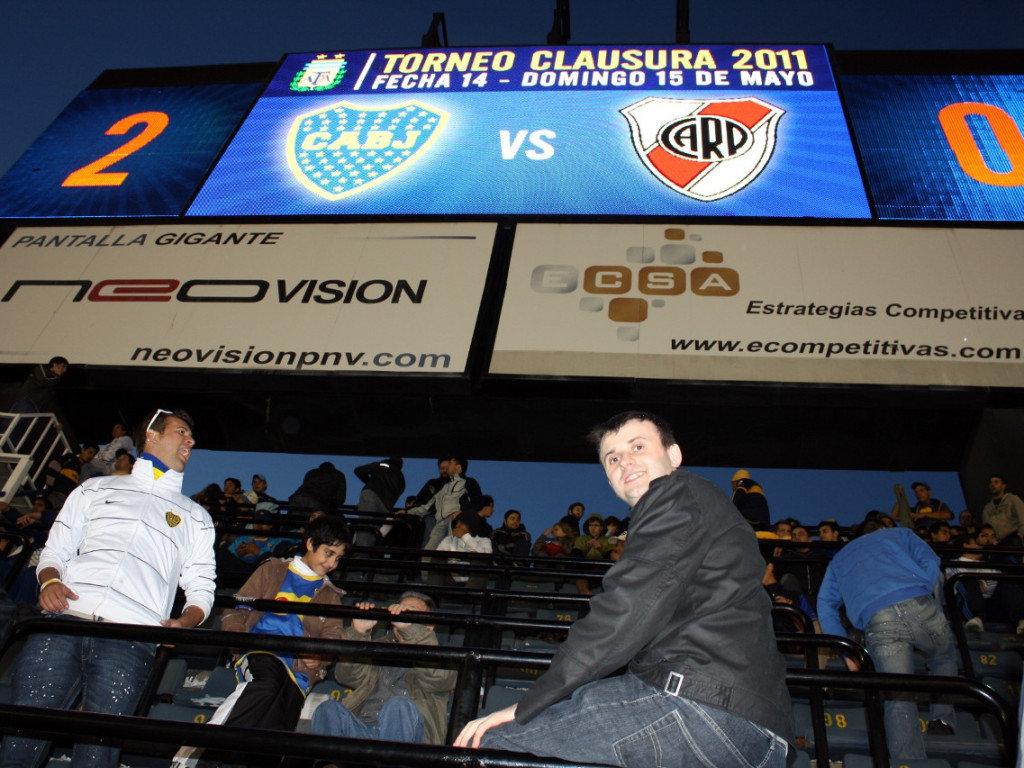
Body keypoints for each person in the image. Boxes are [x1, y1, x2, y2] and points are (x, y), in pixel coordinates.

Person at [456, 411, 793, 767]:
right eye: (612, 458)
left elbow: (625, 609)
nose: (625, 461)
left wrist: (529, 704)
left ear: (674, 455)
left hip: (701, 704)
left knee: (491, 746)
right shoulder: (699, 508)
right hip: (755, 729)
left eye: (638, 446)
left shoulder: (676, 493)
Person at [0, 408, 216, 768]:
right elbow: (57, 549)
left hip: (131, 638)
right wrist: (50, 579)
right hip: (62, 621)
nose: (190, 441)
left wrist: (187, 620)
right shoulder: (96, 488)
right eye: (181, 432)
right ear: (152, 435)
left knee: (99, 752)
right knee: (22, 739)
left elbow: (202, 585)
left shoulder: (196, 516)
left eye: (191, 436)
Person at [171, 515, 350, 768]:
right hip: (261, 650)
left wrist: (321, 656)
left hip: (299, 674)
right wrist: (239, 637)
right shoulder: (273, 569)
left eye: (338, 558)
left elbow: (333, 636)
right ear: (310, 543)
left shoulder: (331, 596)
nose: (332, 563)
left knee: (271, 741)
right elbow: (237, 608)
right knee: (266, 683)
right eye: (328, 553)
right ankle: (197, 748)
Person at [816, 521, 958, 761]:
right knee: (944, 656)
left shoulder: (840, 558)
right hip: (919, 601)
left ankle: (908, 761)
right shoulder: (900, 533)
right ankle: (942, 719)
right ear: (880, 529)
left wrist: (846, 652)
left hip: (878, 617)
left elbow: (825, 605)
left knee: (897, 692)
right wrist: (922, 587)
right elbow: (931, 560)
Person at [310, 591, 457, 745]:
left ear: (429, 625)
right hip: (363, 728)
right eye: (401, 609)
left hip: (413, 737)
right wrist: (358, 632)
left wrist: (411, 630)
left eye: (412, 611)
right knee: (327, 710)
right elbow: (347, 676)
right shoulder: (378, 647)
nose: (403, 613)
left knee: (398, 705)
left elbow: (440, 679)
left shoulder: (442, 656)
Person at [982, 474, 1024, 545]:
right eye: (991, 482)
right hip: (997, 544)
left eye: (996, 482)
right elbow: (986, 529)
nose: (992, 485)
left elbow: (1023, 519)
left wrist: (1020, 536)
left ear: (1004, 485)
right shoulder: (987, 508)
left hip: (1015, 541)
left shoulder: (1013, 499)